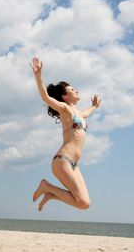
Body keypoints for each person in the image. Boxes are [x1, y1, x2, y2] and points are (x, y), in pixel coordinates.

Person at [30, 57, 101, 211]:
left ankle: (50, 194)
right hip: (62, 161)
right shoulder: (65, 109)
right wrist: (38, 75)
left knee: (84, 204)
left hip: (74, 165)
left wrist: (94, 106)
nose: (76, 90)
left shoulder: (79, 113)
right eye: (72, 90)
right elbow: (45, 97)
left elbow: (86, 114)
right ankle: (46, 186)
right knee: (82, 202)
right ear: (65, 97)